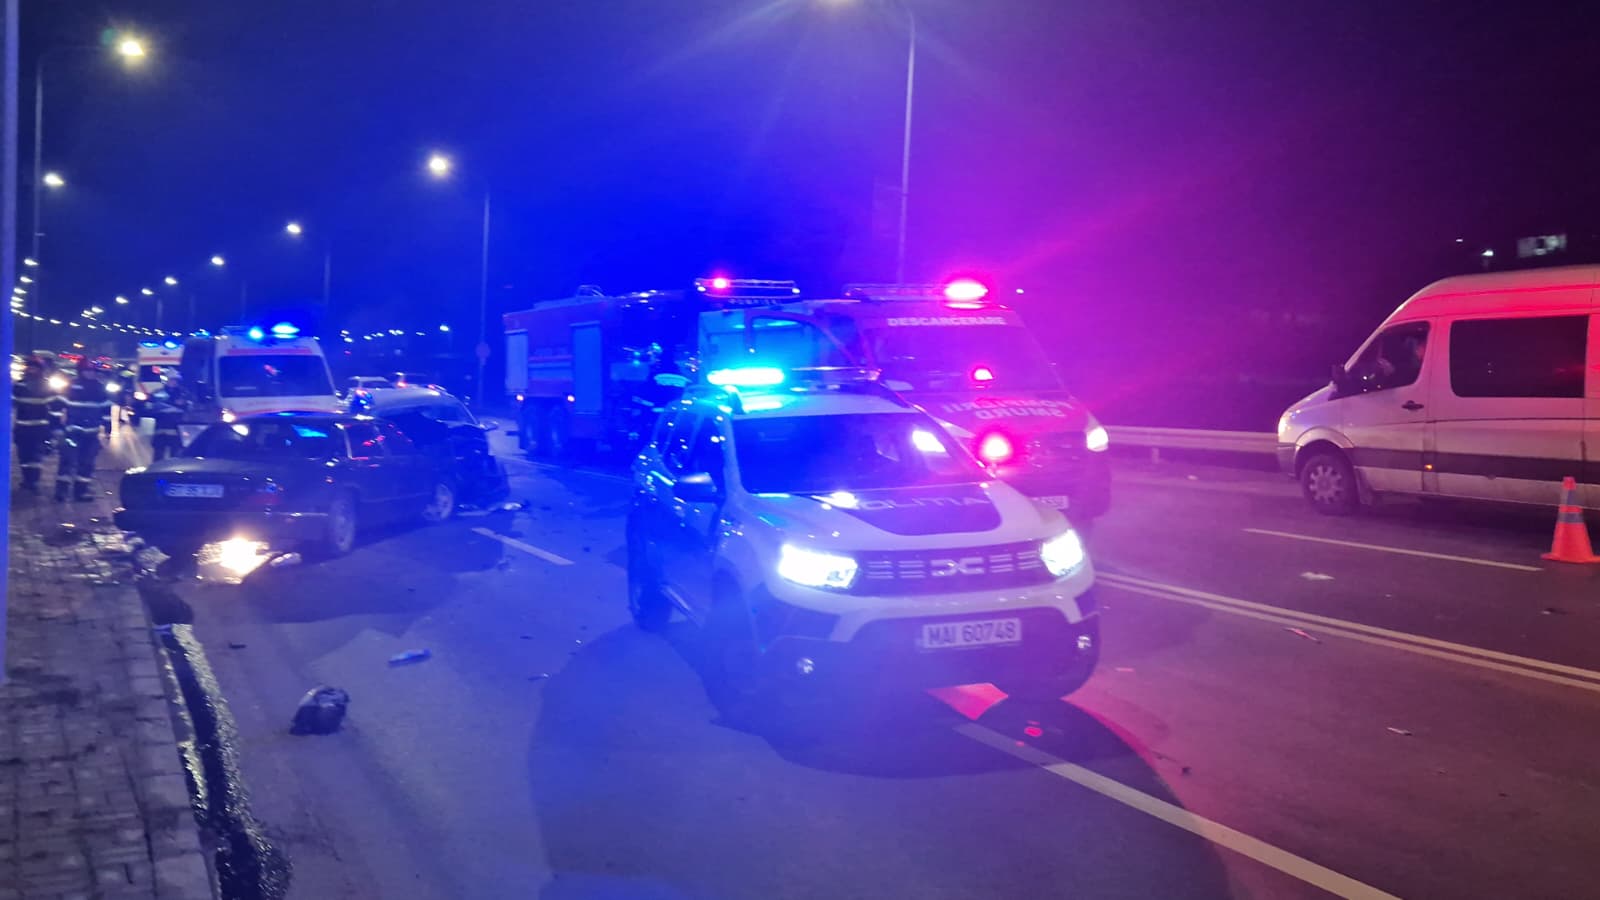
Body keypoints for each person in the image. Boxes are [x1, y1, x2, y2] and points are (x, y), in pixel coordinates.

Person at [55, 359, 113, 502]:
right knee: (67, 461)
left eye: (92, 371)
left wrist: (108, 428)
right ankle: (61, 492)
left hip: (91, 434)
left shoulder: (100, 388)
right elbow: (57, 406)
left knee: (86, 463)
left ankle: (80, 492)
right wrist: (57, 428)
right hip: (72, 432)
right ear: (80, 371)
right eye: (87, 371)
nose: (90, 373)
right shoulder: (71, 386)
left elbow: (106, 409)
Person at [12, 356, 55, 493]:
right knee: (24, 456)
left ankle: (34, 481)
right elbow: (12, 402)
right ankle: (27, 480)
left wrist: (54, 427)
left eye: (35, 367)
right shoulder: (20, 385)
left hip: (39, 429)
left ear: (40, 369)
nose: (32, 370)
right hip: (22, 428)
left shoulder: (46, 385)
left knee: (36, 457)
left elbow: (54, 406)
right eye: (30, 367)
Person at [149, 372, 190, 461]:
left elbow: (189, 407)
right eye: (172, 380)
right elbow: (151, 407)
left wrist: (183, 405)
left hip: (176, 430)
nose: (174, 382)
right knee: (158, 456)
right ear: (167, 380)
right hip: (161, 429)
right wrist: (174, 405)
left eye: (176, 380)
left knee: (175, 457)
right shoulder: (158, 393)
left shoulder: (183, 394)